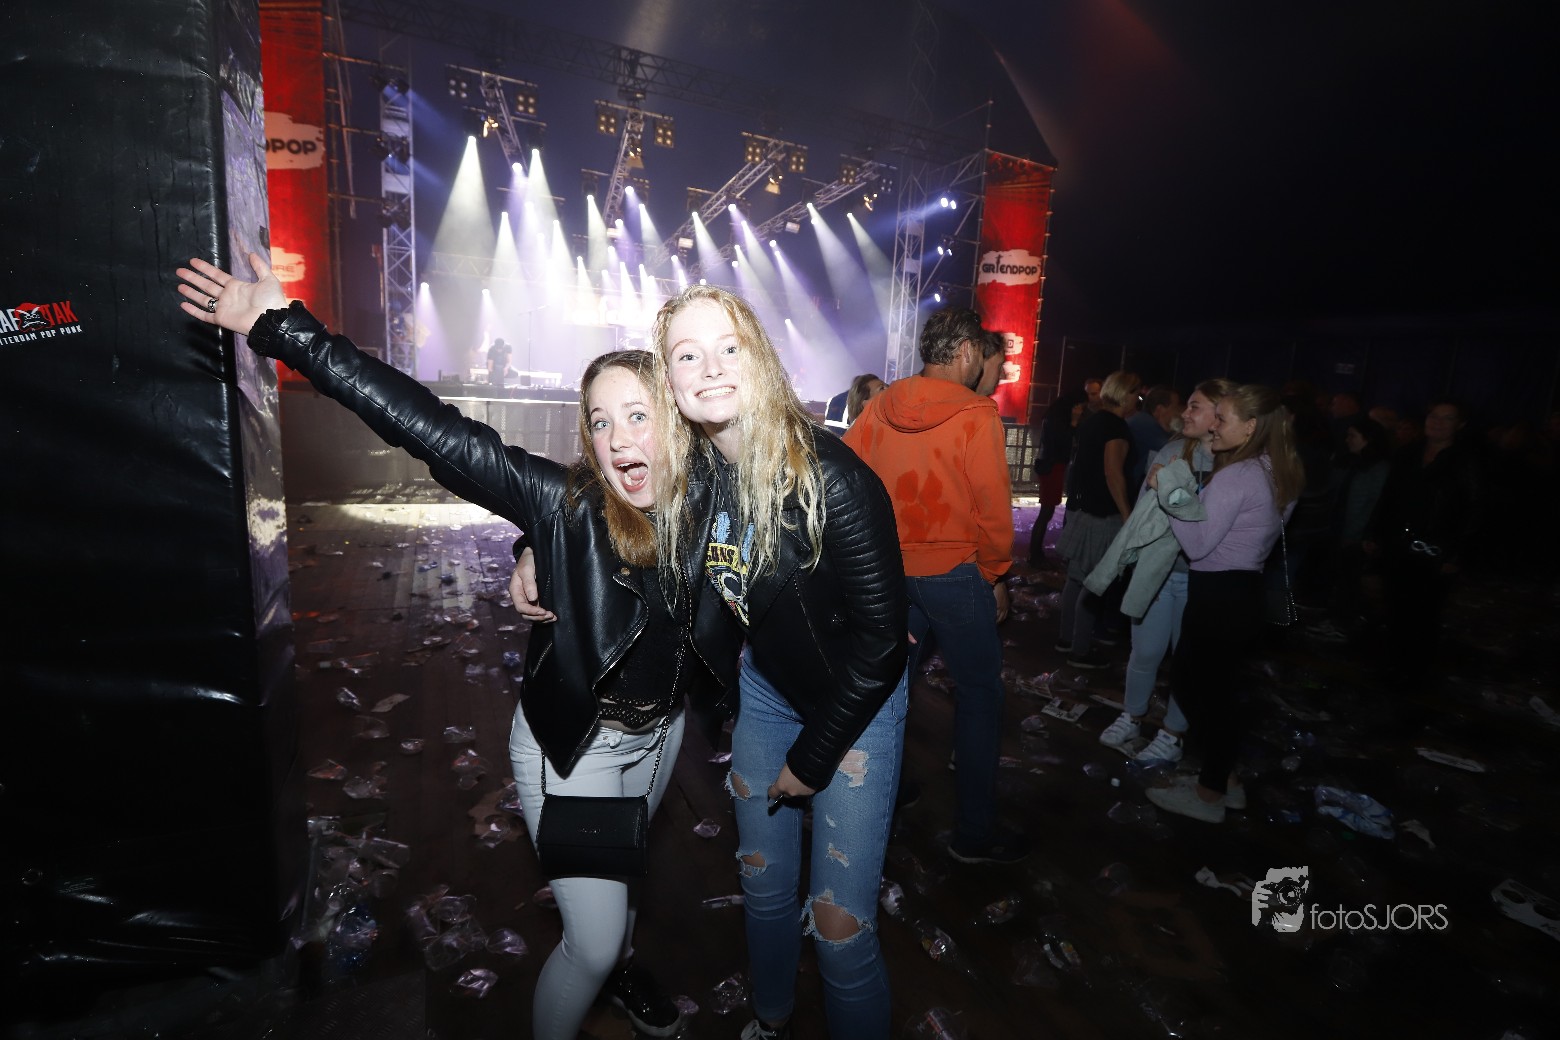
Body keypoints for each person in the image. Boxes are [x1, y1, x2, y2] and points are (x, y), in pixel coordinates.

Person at [175, 254, 740, 1040]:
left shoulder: (717, 495)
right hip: (574, 746)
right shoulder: (565, 504)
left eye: (638, 415)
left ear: (675, 422)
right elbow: (432, 429)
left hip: (661, 735)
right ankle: (601, 964)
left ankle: (622, 967)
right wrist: (283, 329)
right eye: (600, 422)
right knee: (589, 938)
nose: (617, 440)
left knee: (626, 874)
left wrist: (531, 555)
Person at [649, 284, 909, 1040]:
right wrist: (529, 547)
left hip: (855, 703)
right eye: (687, 356)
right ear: (670, 381)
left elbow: (883, 643)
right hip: (766, 692)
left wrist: (814, 756)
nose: (710, 368)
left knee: (838, 929)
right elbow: (595, 503)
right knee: (761, 887)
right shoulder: (698, 472)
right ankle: (770, 1020)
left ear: (758, 357)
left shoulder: (833, 480)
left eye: (728, 348)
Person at [843, 308, 1026, 865]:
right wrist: (995, 574)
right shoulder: (976, 414)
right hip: (954, 574)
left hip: (887, 574)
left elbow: (845, 476)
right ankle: (973, 833)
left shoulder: (882, 403)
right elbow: (993, 507)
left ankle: (881, 797)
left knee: (886, 689)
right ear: (967, 351)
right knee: (979, 695)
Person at [1144, 383, 1302, 823]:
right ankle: (1225, 781)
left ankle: (1209, 794)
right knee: (1214, 692)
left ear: (1250, 427)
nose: (1213, 425)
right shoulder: (1279, 468)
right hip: (1244, 592)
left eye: (1222, 418)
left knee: (1199, 692)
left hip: (1218, 595)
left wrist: (1167, 492)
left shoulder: (1238, 475)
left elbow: (1197, 545)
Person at [1098, 378, 1236, 765]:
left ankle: (1173, 734)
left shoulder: (1236, 466)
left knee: (1186, 664)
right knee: (1145, 652)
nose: (1183, 414)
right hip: (1158, 573)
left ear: (1220, 415)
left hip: (1202, 579)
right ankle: (1132, 715)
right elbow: (1146, 510)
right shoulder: (1174, 450)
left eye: (1195, 407)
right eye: (1186, 405)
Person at [1364, 399, 1479, 688]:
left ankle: (1415, 672)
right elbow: (1389, 496)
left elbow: (1473, 509)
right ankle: (1392, 664)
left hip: (1436, 549)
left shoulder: (1466, 461)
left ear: (1460, 425)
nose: (1437, 422)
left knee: (1425, 611)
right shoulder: (1408, 453)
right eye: (1433, 416)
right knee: (1395, 604)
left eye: (1447, 418)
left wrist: (1456, 553)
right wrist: (1374, 532)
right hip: (1399, 543)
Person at [1055, 370, 1141, 668]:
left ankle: (1066, 640)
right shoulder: (1115, 427)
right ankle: (1080, 650)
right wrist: (1128, 516)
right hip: (1103, 514)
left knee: (1076, 578)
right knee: (1094, 582)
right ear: (1125, 394)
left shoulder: (1093, 421)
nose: (1137, 399)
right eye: (1135, 393)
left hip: (1084, 509)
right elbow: (1113, 473)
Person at [1029, 390, 1085, 568]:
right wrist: (1074, 423)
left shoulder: (1052, 417)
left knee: (1047, 511)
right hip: (1052, 466)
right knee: (1046, 511)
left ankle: (1035, 553)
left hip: (1050, 465)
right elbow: (1064, 442)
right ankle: (1034, 554)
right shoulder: (1058, 421)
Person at [1126, 385, 1181, 496]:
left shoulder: (1142, 420)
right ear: (1159, 410)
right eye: (1175, 408)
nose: (1180, 413)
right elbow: (1173, 448)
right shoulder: (1144, 423)